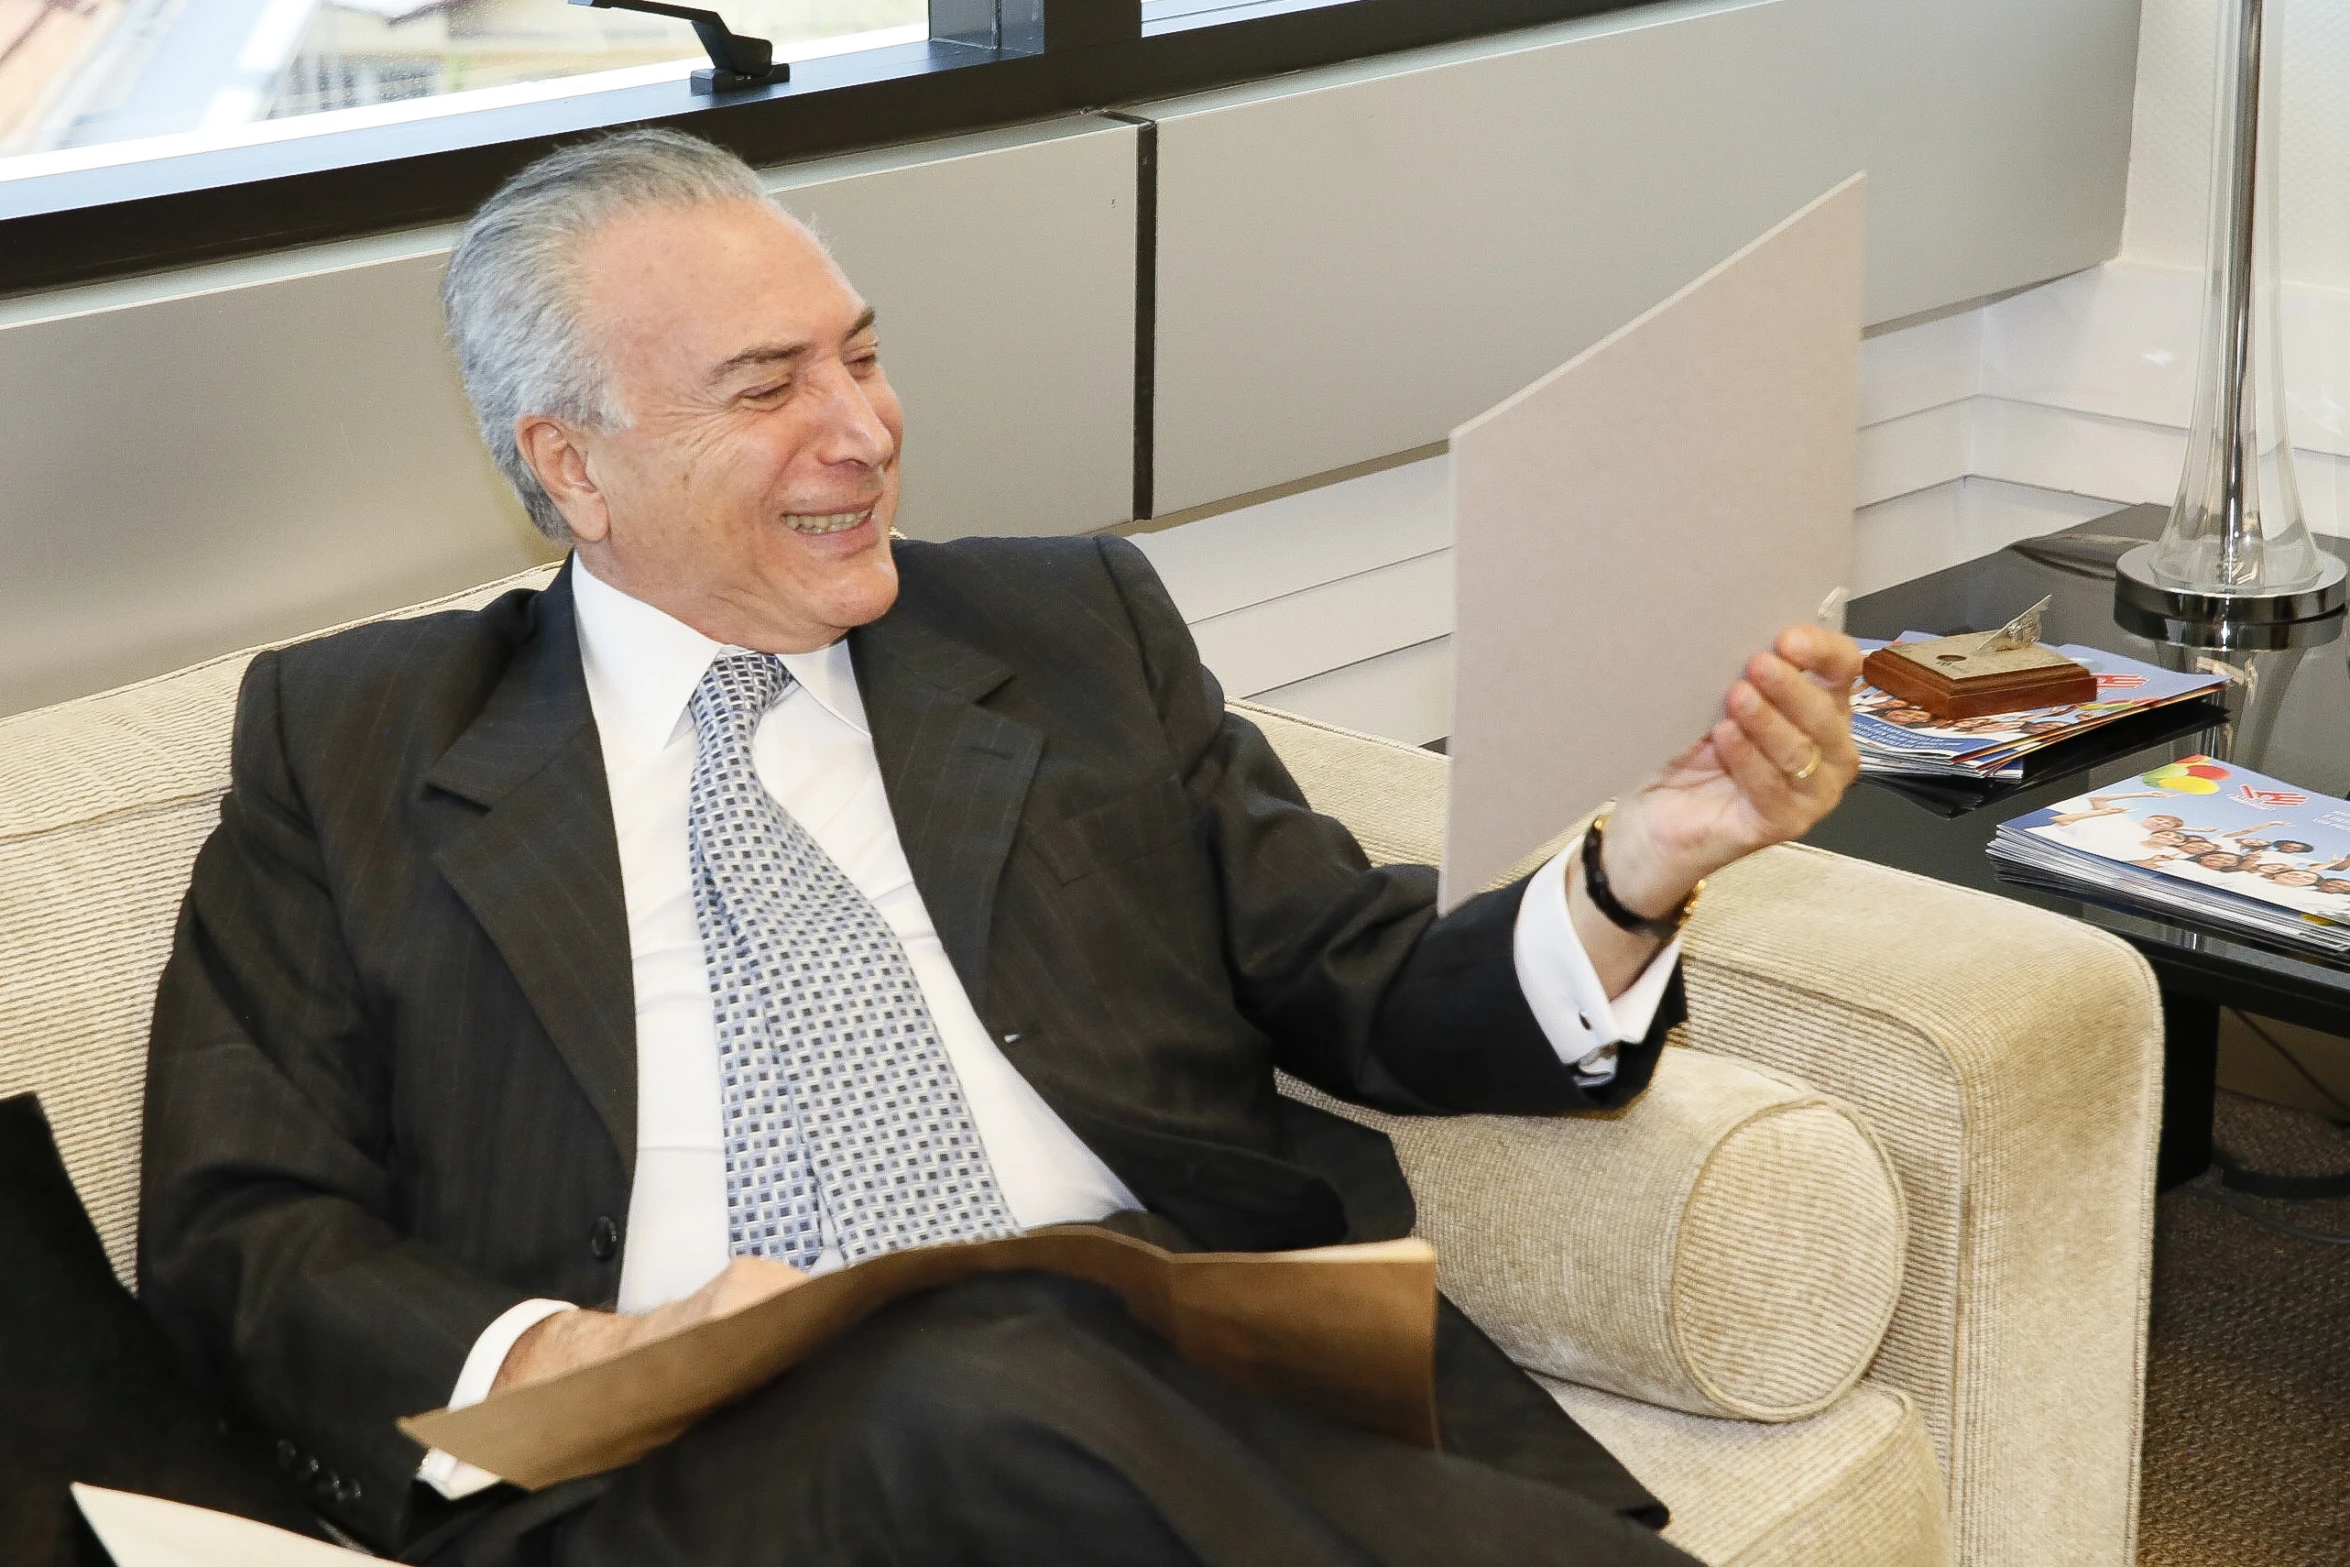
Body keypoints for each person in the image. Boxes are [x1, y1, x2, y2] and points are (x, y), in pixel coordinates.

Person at [137, 130, 1862, 1567]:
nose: (865, 429)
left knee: (1016, 1361)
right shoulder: (352, 741)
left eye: (864, 355)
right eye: (768, 387)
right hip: (679, 1473)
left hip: (1173, 1383)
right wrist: (579, 1352)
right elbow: (242, 1227)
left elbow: (1365, 986)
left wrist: (1639, 861)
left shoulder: (1062, 632)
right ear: (572, 468)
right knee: (960, 1352)